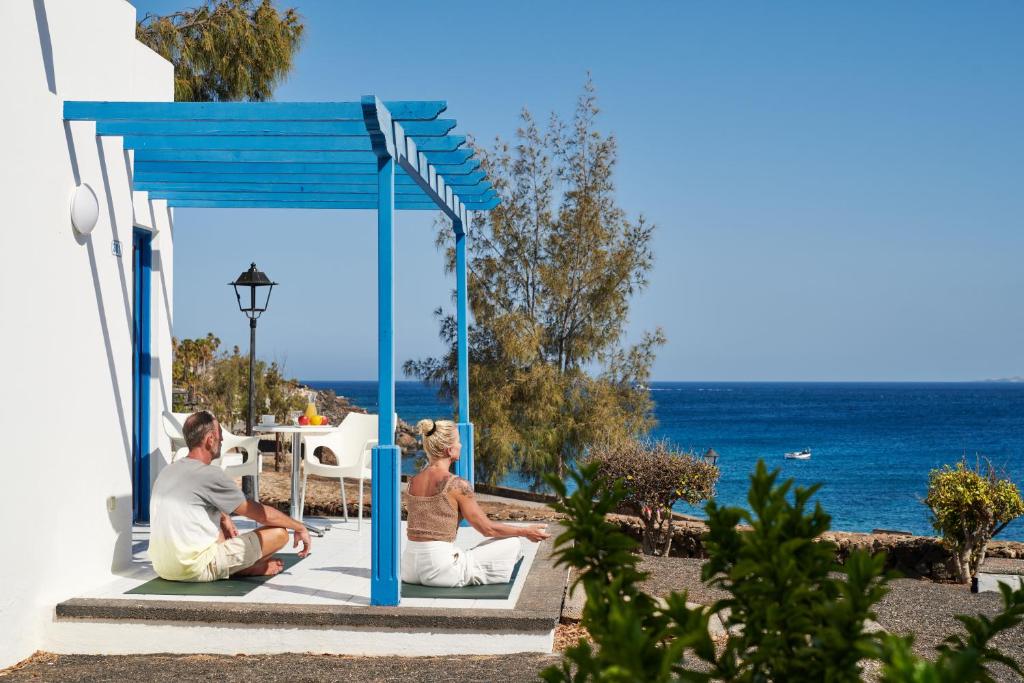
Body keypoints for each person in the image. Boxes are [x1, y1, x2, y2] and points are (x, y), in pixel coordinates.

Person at [149, 410, 312, 582]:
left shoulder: (168, 470)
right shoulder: (209, 474)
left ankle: (234, 566)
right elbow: (261, 514)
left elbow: (194, 504)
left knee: (217, 531)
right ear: (210, 439)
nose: (223, 440)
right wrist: (299, 527)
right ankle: (245, 569)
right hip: (194, 568)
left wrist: (224, 517)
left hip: (163, 567)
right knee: (279, 533)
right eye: (219, 434)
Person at [402, 419, 550, 587]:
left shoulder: (413, 482)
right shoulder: (457, 485)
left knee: (474, 551)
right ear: (450, 450)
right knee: (513, 542)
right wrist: (525, 532)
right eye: (458, 441)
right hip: (440, 571)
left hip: (409, 569)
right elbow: (488, 529)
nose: (461, 445)